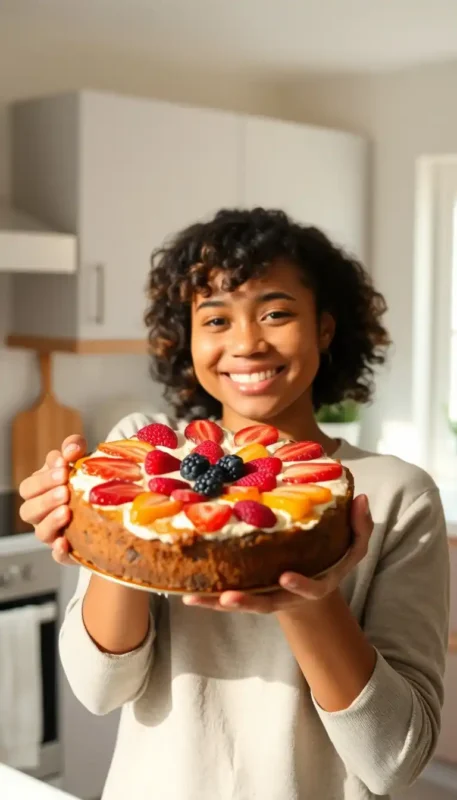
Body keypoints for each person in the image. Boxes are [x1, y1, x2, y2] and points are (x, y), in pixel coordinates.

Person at [19, 208, 449, 800]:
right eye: (215, 319)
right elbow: (99, 689)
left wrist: (306, 602)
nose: (246, 342)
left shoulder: (398, 494)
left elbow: (393, 760)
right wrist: (106, 533)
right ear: (189, 339)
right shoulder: (145, 451)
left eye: (276, 313)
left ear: (325, 328)